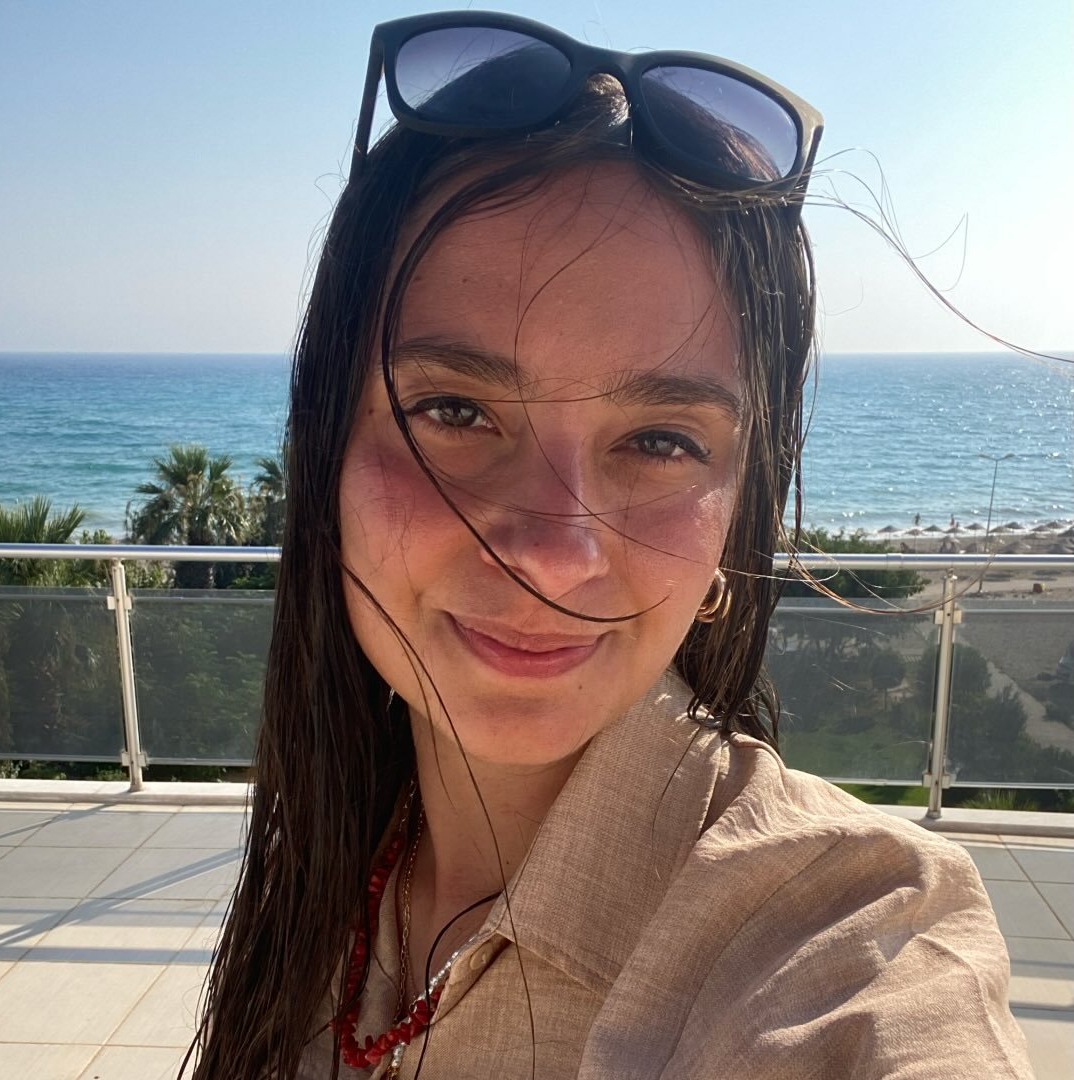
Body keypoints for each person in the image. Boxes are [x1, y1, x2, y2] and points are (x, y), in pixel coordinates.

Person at [185, 12, 1031, 1080]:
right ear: (327, 456)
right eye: (454, 411)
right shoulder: (334, 861)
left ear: (736, 518)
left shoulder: (847, 928)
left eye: (662, 441)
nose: (556, 553)